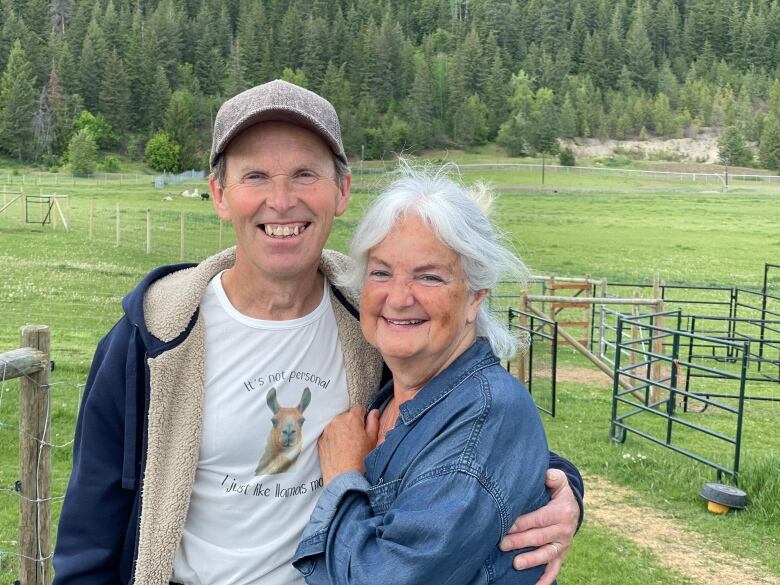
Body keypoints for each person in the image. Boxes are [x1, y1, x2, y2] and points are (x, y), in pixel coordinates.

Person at [53, 80, 583, 585]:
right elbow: (90, 530)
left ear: (342, 191)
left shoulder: (372, 324)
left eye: (305, 174)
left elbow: (462, 426)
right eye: (255, 176)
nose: (281, 200)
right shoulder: (153, 339)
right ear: (219, 193)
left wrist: (560, 488)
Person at [292, 167, 555, 584]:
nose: (398, 298)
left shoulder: (486, 415)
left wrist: (343, 479)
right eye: (380, 272)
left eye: (429, 276)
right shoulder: (393, 392)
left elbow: (382, 577)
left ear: (474, 299)